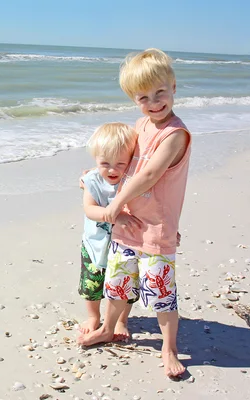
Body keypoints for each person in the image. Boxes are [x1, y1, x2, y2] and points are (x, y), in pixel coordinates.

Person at [77, 48, 191, 379]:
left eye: (160, 92)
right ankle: (108, 328)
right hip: (128, 225)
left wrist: (114, 205)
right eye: (143, 97)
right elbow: (118, 158)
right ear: (134, 99)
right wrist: (91, 175)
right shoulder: (141, 125)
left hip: (155, 229)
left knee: (161, 294)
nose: (154, 103)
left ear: (173, 86)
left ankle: (169, 348)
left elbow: (147, 176)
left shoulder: (175, 134)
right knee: (117, 285)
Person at [77, 123, 141, 343]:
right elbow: (89, 209)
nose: (112, 170)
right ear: (96, 159)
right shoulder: (93, 180)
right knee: (91, 285)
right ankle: (93, 317)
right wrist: (113, 215)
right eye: (105, 164)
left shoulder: (133, 180)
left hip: (126, 246)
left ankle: (121, 320)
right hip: (95, 244)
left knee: (126, 288)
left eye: (120, 164)